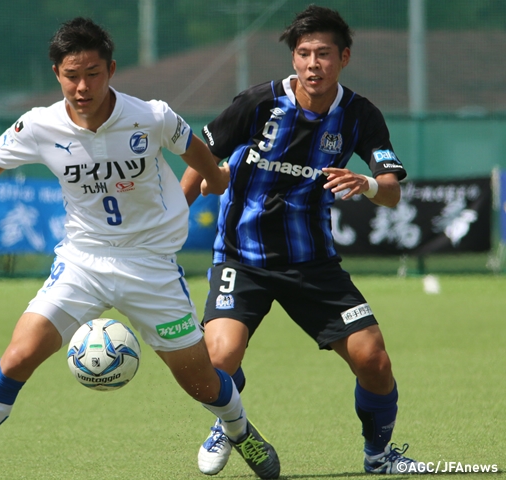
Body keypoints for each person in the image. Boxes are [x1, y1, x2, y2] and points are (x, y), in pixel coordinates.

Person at [0, 17, 280, 480]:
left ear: (112, 70)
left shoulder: (151, 115)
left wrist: (217, 178)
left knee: (200, 381)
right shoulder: (40, 125)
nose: (82, 86)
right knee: (18, 355)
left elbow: (195, 148)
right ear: (57, 74)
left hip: (149, 264)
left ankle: (240, 431)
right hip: (83, 260)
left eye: (93, 74)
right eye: (71, 75)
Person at [181, 5, 424, 476]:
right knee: (218, 357)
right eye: (305, 53)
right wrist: (169, 225)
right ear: (294, 59)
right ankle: (228, 422)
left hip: (313, 264)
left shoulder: (359, 114)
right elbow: (201, 160)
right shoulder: (258, 103)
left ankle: (379, 457)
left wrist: (368, 184)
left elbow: (392, 190)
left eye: (325, 54)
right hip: (241, 257)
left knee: (373, 360)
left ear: (344, 58)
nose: (314, 64)